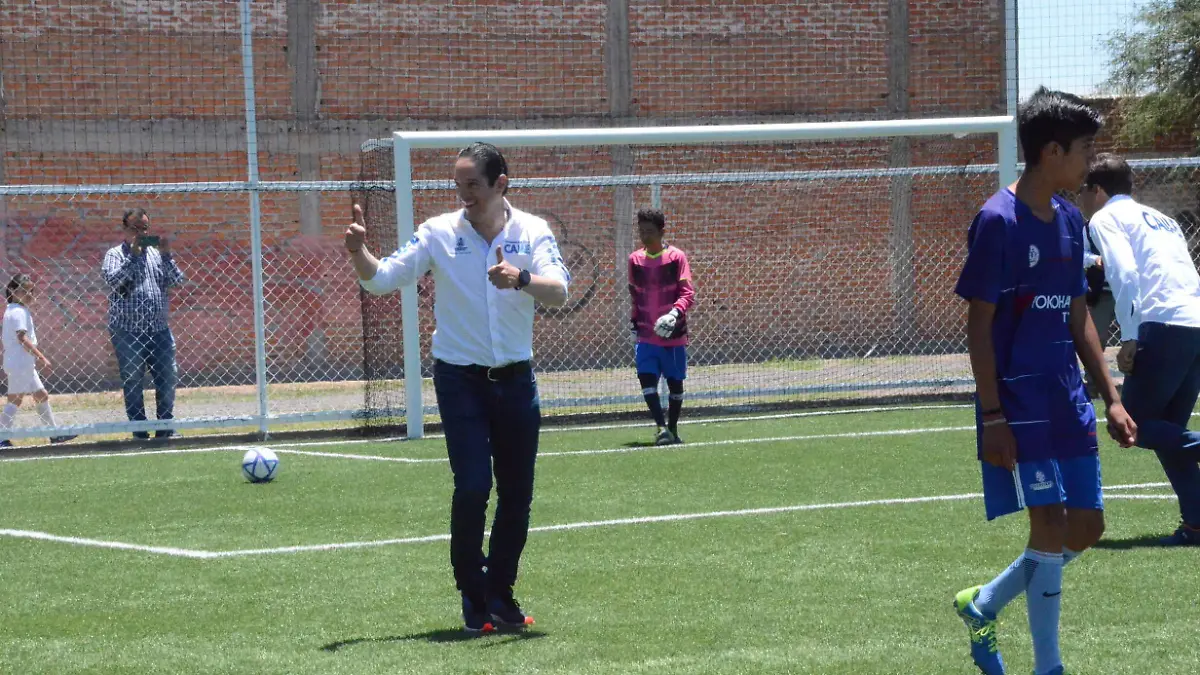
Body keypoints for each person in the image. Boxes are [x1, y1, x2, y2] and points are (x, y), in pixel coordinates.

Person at [344, 142, 571, 633]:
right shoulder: (438, 233)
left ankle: (500, 595)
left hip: (515, 381)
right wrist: (359, 251)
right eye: (458, 185)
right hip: (459, 380)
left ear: (500, 184)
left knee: (517, 494)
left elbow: (559, 290)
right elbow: (382, 279)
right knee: (472, 486)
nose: (463, 194)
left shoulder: (533, 231)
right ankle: (472, 596)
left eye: (473, 184)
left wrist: (521, 278)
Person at [951, 88, 1136, 675]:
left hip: (1067, 397)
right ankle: (1049, 667)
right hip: (1020, 402)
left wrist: (1110, 395)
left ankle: (984, 603)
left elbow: (1077, 312)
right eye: (1084, 151)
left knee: (1087, 525)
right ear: (1052, 151)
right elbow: (978, 327)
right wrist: (992, 416)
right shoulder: (997, 222)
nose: (1088, 164)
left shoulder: (1072, 222)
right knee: (1051, 524)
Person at [1082, 152, 1200, 547]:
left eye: (1084, 190)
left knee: (1129, 424)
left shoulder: (1105, 217)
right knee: (1169, 435)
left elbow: (1124, 272)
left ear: (1097, 190)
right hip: (1194, 321)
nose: (1082, 198)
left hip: (1162, 324)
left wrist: (1130, 335)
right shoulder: (1160, 218)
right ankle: (1197, 524)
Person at [101, 208, 184, 440]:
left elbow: (177, 281)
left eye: (144, 229)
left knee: (168, 376)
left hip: (158, 329)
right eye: (134, 228)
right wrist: (134, 256)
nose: (139, 233)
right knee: (133, 379)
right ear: (124, 229)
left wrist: (167, 255)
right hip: (127, 331)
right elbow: (114, 281)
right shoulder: (115, 254)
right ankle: (139, 429)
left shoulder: (157, 254)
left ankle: (165, 426)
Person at [628, 208, 695, 445]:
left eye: (650, 232)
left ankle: (673, 428)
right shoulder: (634, 259)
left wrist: (674, 313)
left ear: (662, 232)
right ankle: (660, 428)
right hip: (646, 335)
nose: (645, 236)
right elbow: (635, 295)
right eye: (642, 231)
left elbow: (688, 294)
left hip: (673, 336)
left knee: (675, 384)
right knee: (646, 381)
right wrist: (635, 323)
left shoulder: (677, 257)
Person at [0, 274, 77, 447]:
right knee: (15, 400)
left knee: (41, 395)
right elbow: (22, 338)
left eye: (31, 291)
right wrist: (41, 356)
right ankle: (1, 438)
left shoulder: (14, 309)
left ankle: (54, 434)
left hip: (22, 362)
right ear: (12, 291)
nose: (29, 294)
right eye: (23, 290)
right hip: (21, 362)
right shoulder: (18, 311)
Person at [1082, 208, 1116, 398]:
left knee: (1138, 336)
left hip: (1128, 292)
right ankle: (1093, 383)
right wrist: (1094, 259)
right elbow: (1080, 254)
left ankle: (1136, 382)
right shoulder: (1088, 228)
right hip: (1101, 292)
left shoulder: (1128, 227)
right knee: (1097, 338)